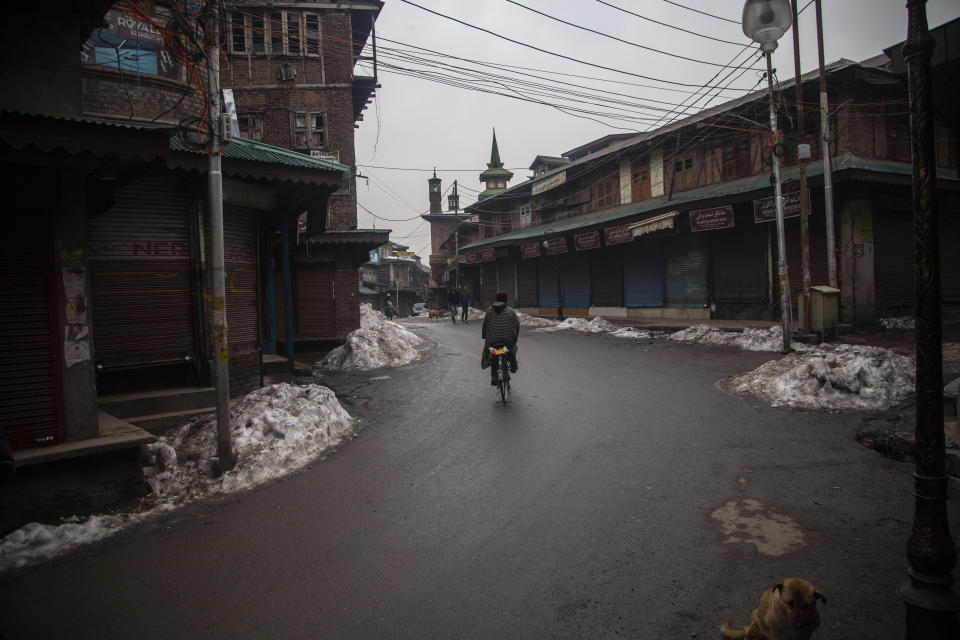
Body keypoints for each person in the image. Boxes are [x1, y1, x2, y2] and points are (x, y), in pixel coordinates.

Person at [481, 291, 519, 385]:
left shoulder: (489, 311)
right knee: (512, 349)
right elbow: (517, 326)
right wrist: (514, 337)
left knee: (491, 353)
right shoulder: (511, 311)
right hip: (507, 342)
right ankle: (513, 365)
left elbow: (484, 325)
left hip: (492, 342)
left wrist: (484, 336)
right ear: (505, 299)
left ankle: (494, 375)